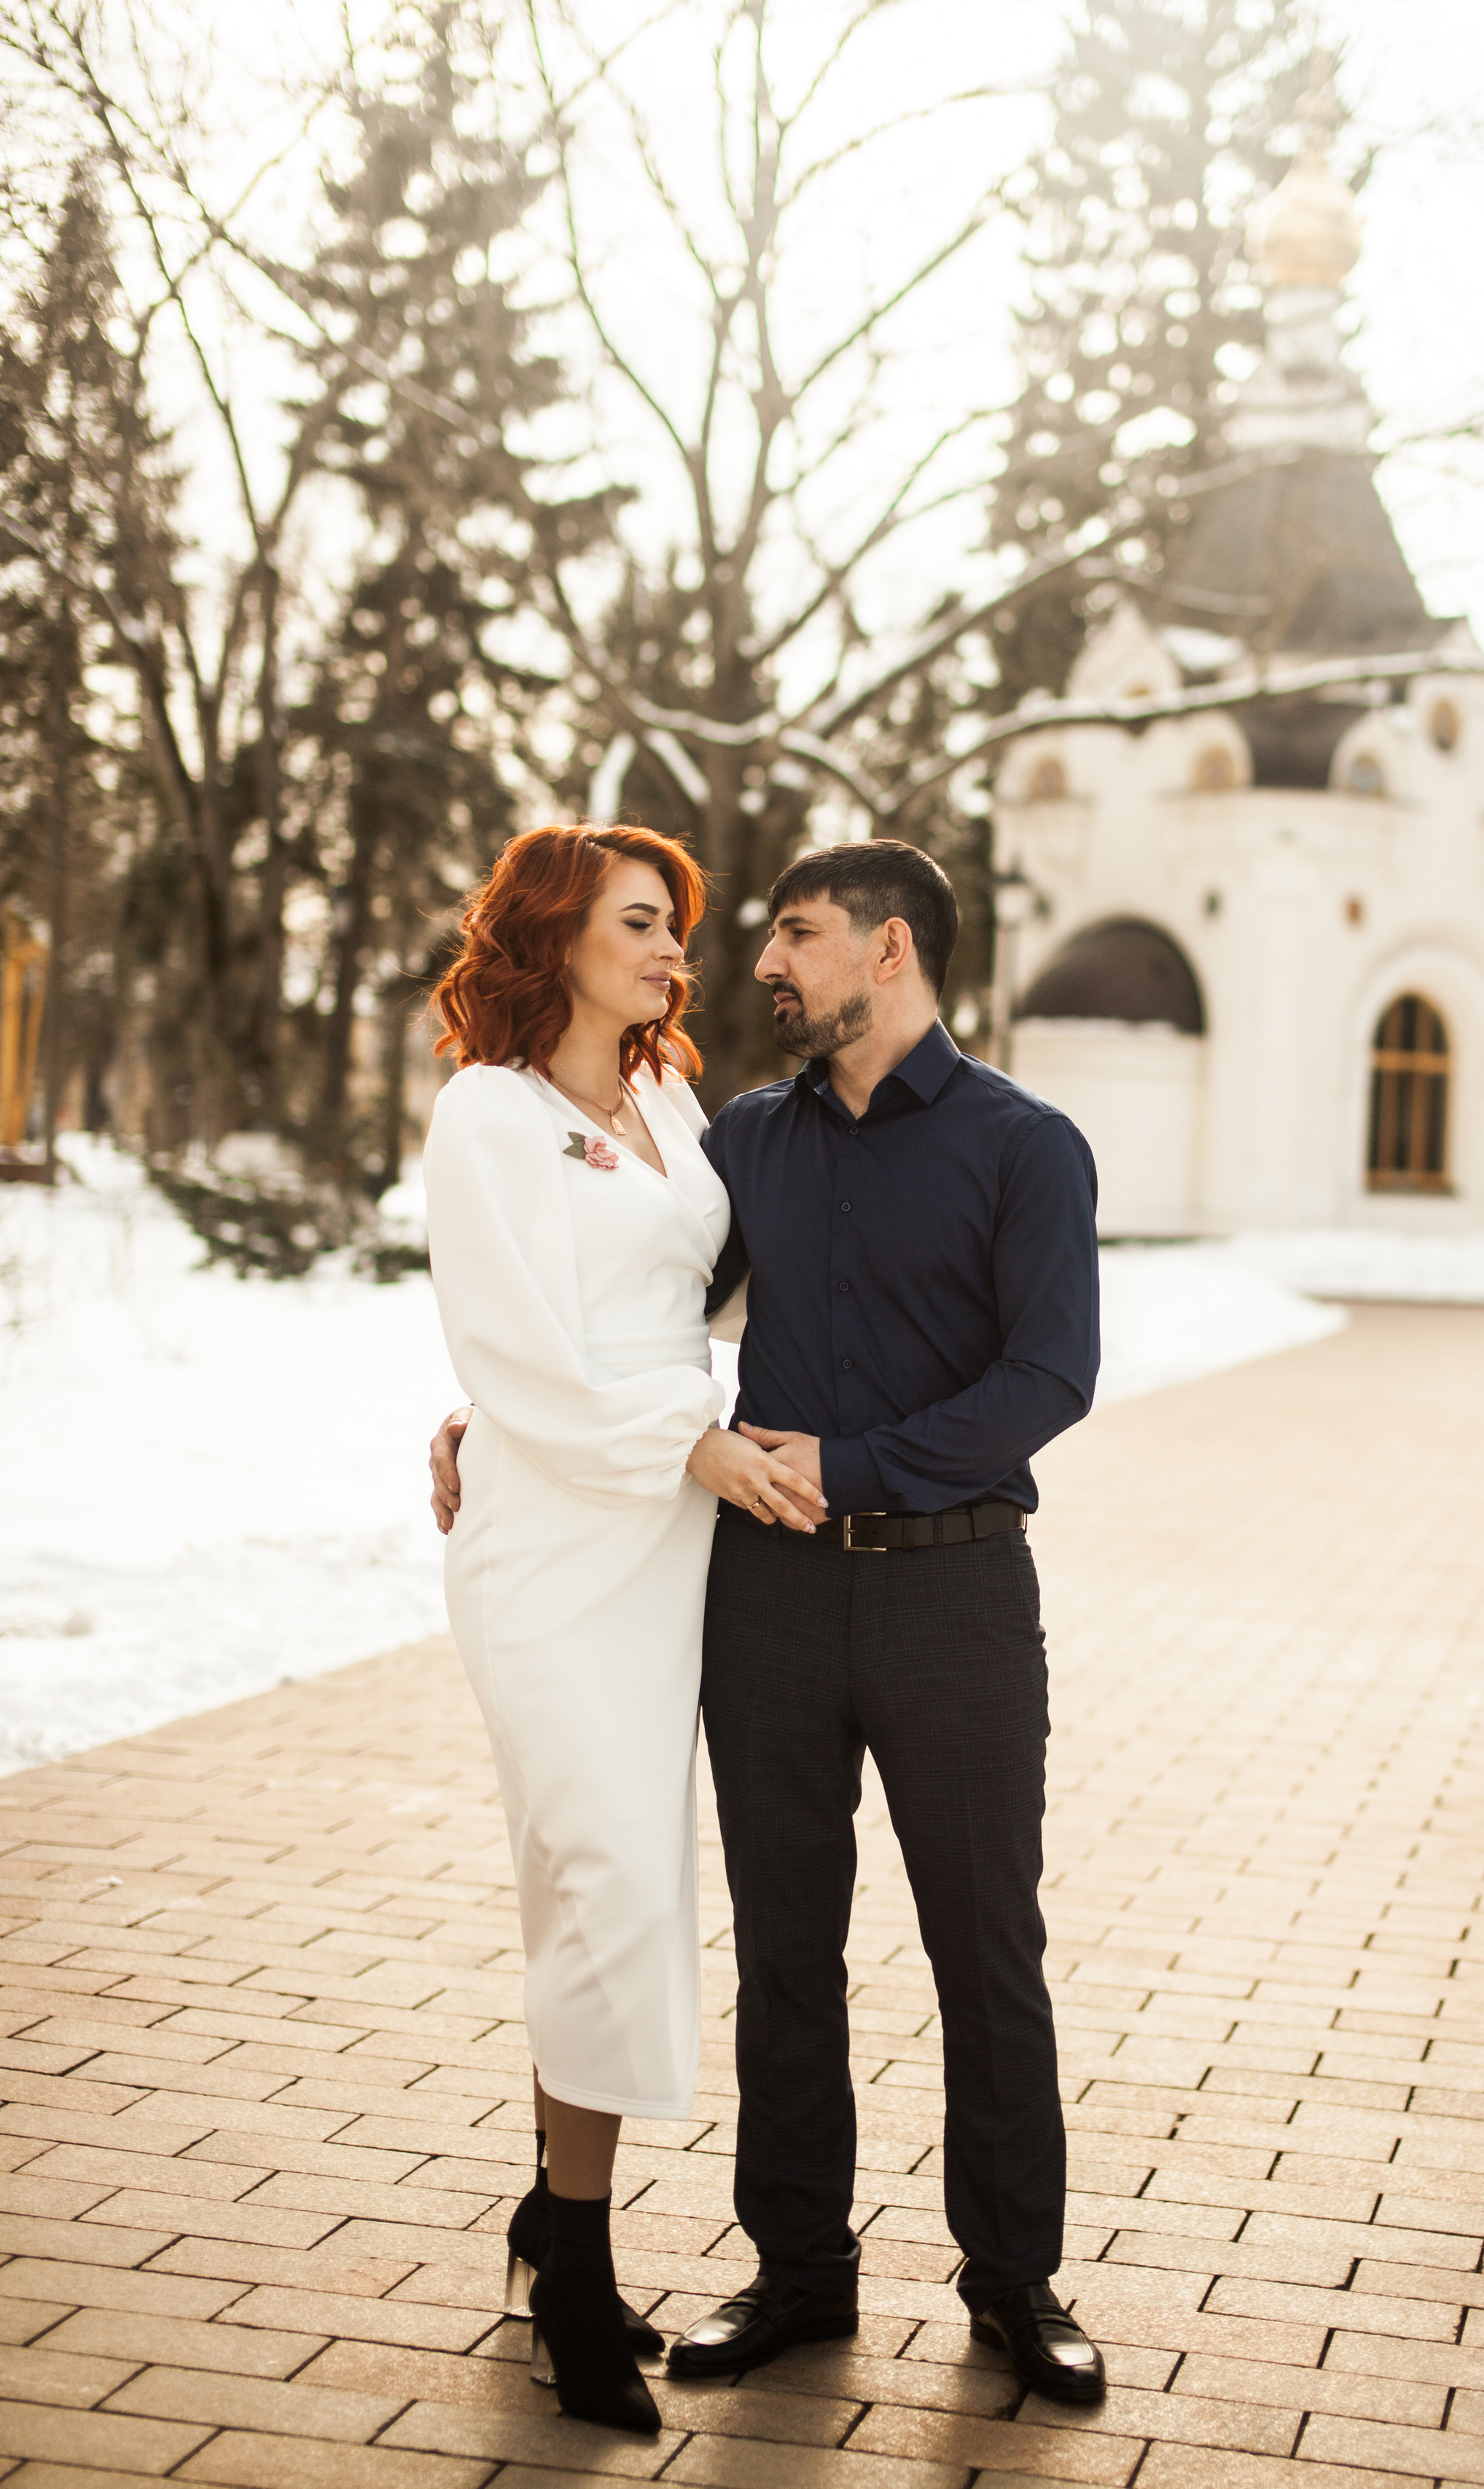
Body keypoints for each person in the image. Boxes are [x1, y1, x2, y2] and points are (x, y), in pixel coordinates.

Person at [434, 837, 1107, 2406]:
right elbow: (622, 1297)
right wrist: (490, 1419)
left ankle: (1014, 2280)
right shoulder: (742, 1136)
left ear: (886, 950)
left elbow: (1048, 1380)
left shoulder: (1027, 1145)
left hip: (953, 1591)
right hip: (772, 1599)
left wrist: (853, 1461)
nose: (758, 966)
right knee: (785, 1955)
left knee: (985, 1946)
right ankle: (800, 2271)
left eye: (792, 936)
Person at [421, 821, 825, 2437]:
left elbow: (704, 1296)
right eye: (644, 923)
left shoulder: (667, 1105)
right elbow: (515, 1344)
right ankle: (576, 2274)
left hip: (666, 1550)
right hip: (554, 1541)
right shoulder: (486, 1115)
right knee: (602, 1879)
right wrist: (681, 1444)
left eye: (679, 927)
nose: (676, 953)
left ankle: (548, 2213)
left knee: (607, 1881)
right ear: (557, 933)